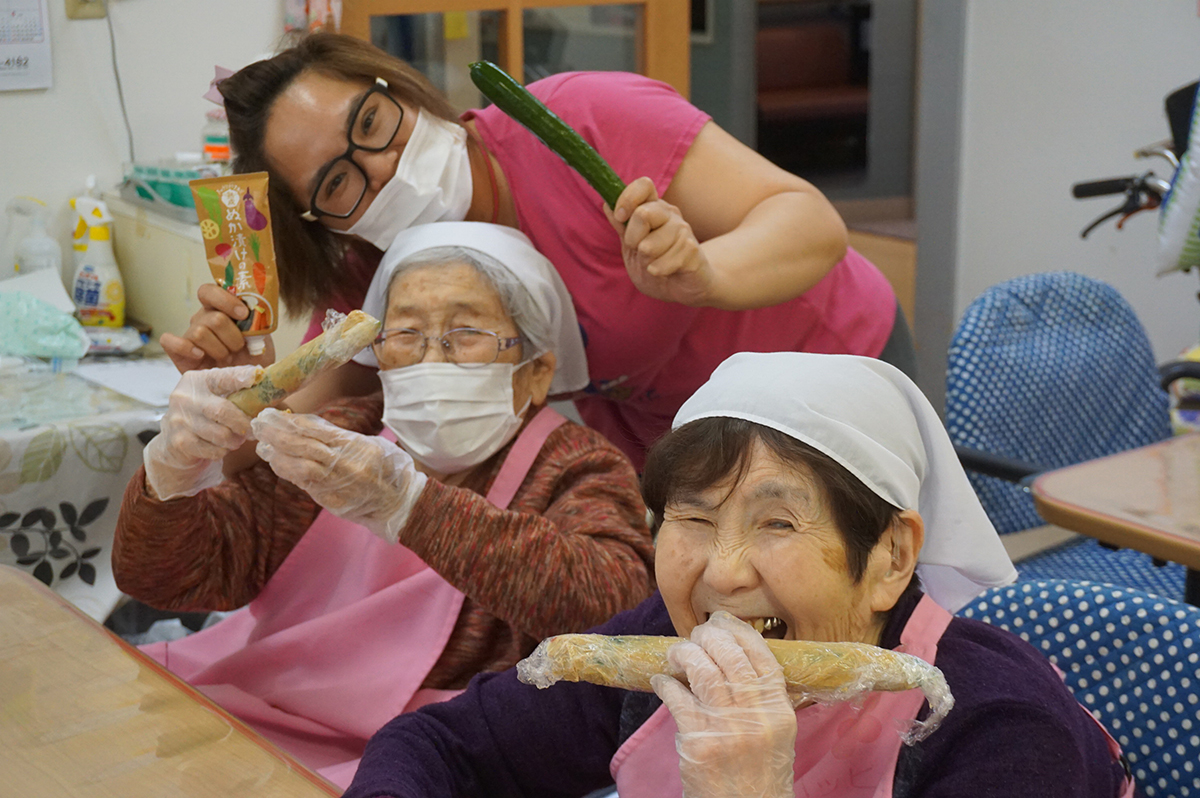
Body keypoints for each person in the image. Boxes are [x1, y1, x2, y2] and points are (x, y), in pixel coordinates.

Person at [339, 352, 1134, 798]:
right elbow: (440, 745)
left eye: (777, 523)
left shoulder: (1005, 732)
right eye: (691, 517)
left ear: (891, 557)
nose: (721, 573)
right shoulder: (659, 642)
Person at [165, 32, 913, 468]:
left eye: (372, 122)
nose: (381, 167)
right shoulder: (374, 273)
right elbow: (279, 432)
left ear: (397, 86)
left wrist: (705, 275)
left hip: (826, 368)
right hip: (684, 446)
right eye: (337, 182)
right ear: (317, 221)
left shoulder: (585, 118)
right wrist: (234, 388)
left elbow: (810, 222)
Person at [112, 222, 655, 788]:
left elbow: (615, 619)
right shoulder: (340, 432)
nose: (430, 360)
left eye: (465, 333)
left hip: (440, 759)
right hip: (259, 715)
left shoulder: (579, 468)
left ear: (536, 372)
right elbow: (167, 578)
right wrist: (172, 473)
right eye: (405, 335)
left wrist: (411, 506)